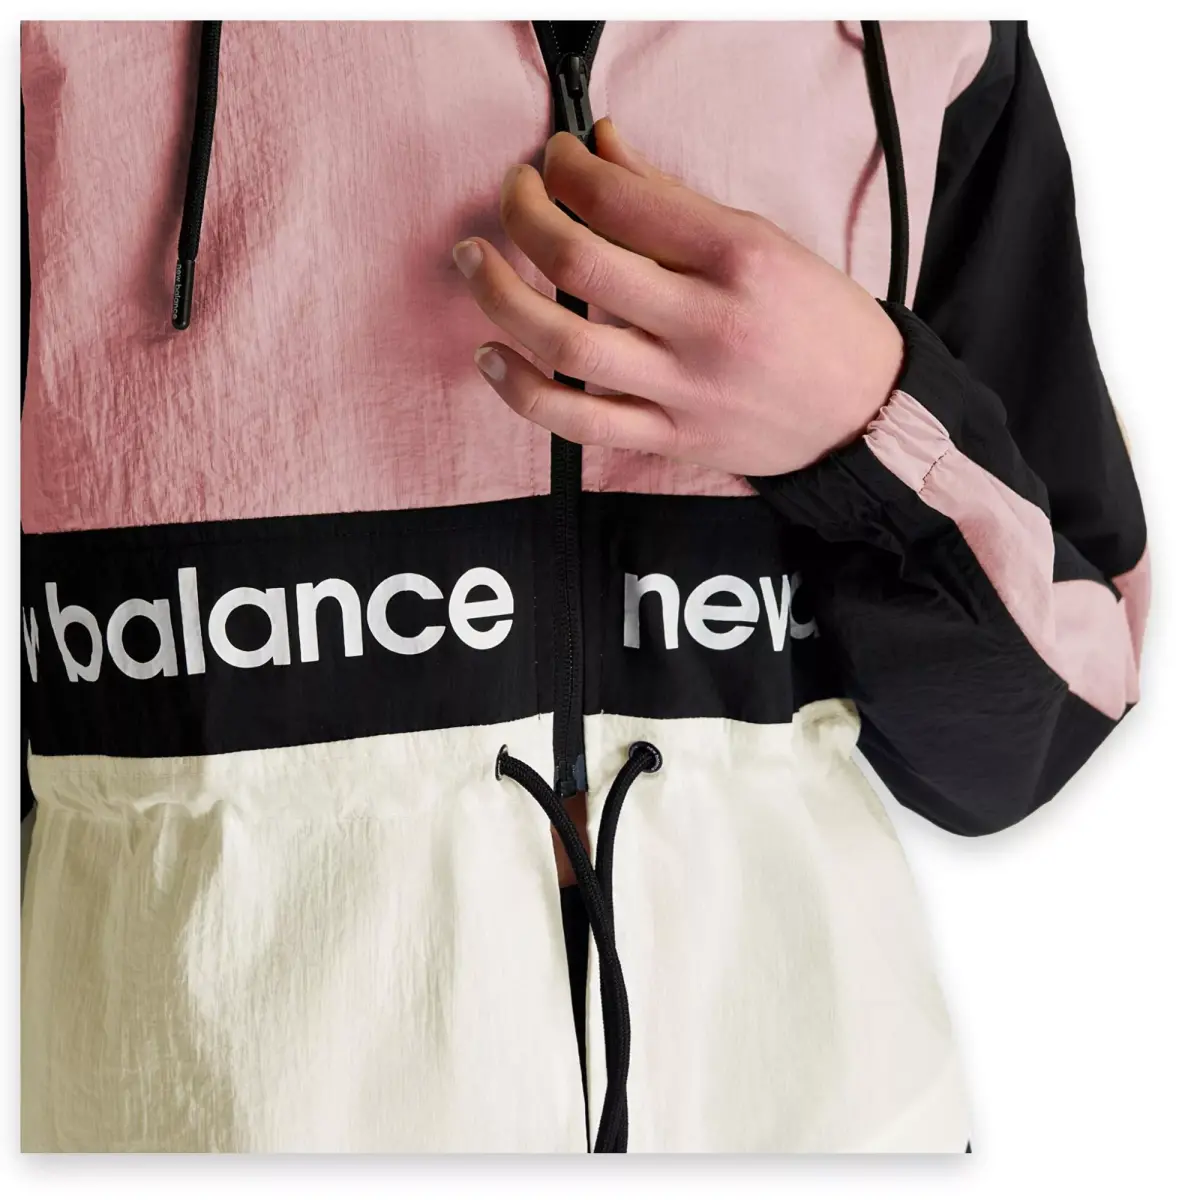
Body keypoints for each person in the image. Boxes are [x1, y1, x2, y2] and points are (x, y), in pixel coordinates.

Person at [19, 19, 1147, 1153]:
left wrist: (868, 418)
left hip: (824, 1112)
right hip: (206, 1110)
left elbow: (1034, 732)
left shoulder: (929, 32)